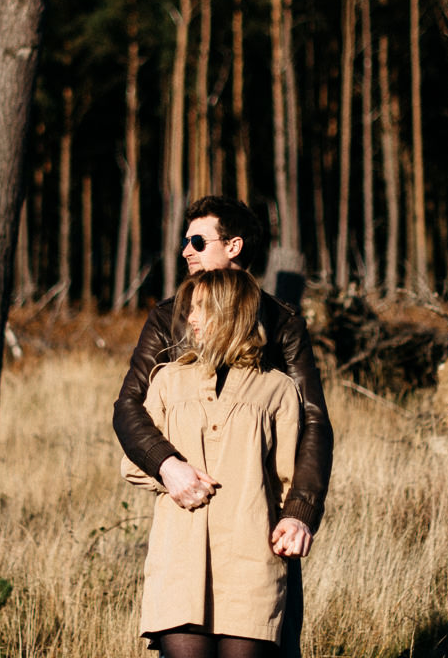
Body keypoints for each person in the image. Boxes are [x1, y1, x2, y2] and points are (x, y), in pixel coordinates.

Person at [113, 196, 332, 657]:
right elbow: (129, 407)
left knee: (268, 634)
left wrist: (300, 510)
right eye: (184, 242)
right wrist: (166, 463)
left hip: (255, 522)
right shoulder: (168, 316)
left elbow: (311, 419)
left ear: (234, 246)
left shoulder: (281, 321)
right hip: (186, 526)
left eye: (197, 240)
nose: (186, 251)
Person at [121, 268, 302, 657]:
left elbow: (288, 480)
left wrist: (295, 519)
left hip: (250, 563)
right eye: (190, 309)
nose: (191, 318)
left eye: (202, 308)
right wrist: (170, 470)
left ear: (232, 312)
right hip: (179, 561)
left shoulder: (279, 389)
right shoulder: (168, 379)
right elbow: (132, 463)